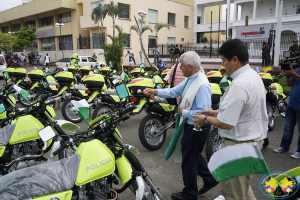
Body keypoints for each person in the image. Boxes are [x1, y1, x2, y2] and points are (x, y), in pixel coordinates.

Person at [193, 39, 268, 200]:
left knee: (233, 193)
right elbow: (244, 109)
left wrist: (205, 118)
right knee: (243, 189)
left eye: (224, 60)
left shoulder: (239, 84)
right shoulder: (253, 76)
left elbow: (226, 123)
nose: (222, 65)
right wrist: (215, 112)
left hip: (239, 146)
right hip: (252, 142)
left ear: (235, 60)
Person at [144, 51, 217, 200]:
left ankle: (190, 194)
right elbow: (173, 91)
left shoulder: (202, 85)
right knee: (192, 155)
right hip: (190, 125)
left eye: (182, 66)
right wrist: (155, 91)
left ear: (191, 67)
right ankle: (210, 179)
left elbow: (203, 113)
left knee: (189, 161)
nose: (180, 69)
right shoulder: (191, 78)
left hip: (197, 127)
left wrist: (185, 112)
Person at [273, 65, 300, 158]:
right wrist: (288, 75)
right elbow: (289, 84)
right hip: (292, 104)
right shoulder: (298, 70)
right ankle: (284, 146)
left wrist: (293, 73)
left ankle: (299, 151)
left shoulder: (295, 72)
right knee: (287, 127)